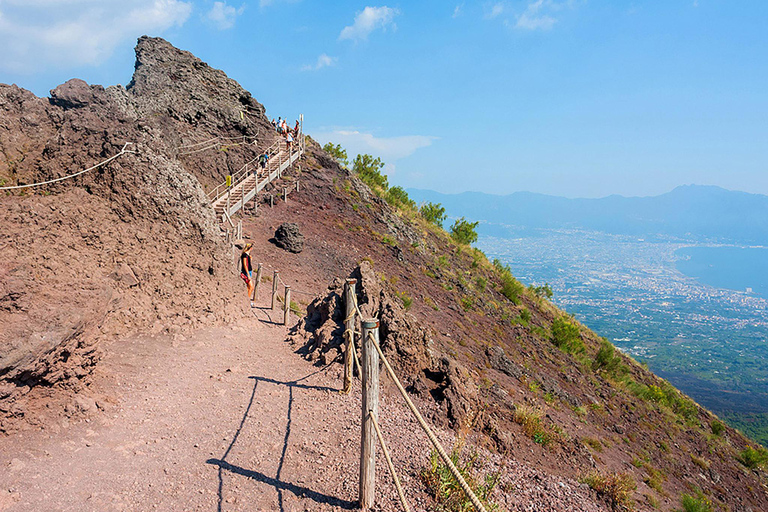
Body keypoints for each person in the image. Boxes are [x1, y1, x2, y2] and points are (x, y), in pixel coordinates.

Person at [240, 243, 255, 307]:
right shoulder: (244, 255)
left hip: (249, 271)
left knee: (249, 287)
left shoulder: (247, 255)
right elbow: (245, 265)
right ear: (250, 248)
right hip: (246, 272)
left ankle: (246, 299)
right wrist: (248, 274)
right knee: (251, 287)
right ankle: (247, 301)